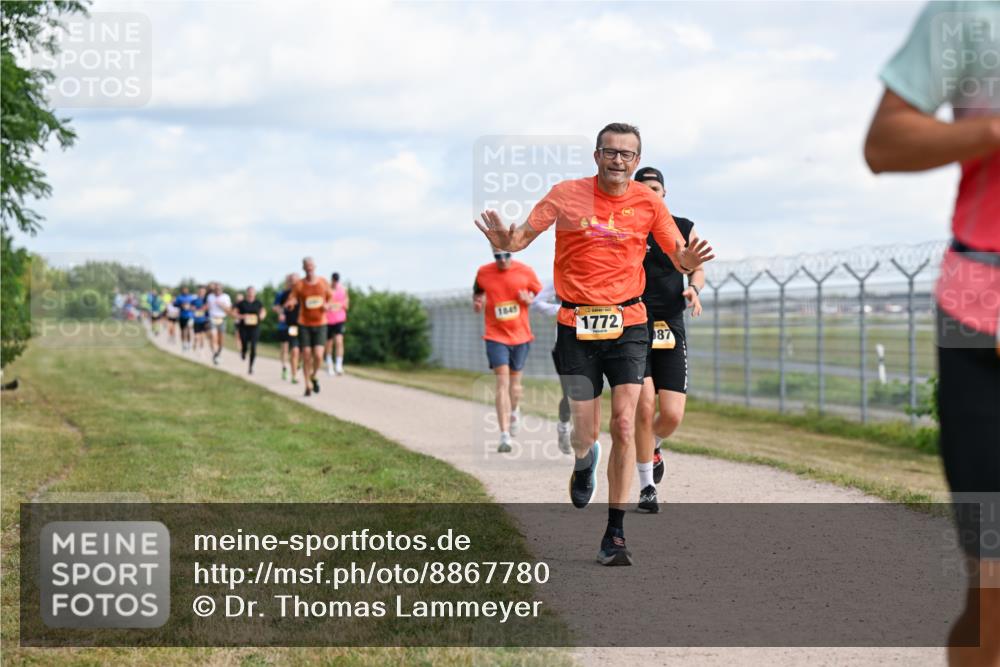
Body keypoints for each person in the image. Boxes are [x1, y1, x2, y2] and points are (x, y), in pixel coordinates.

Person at [476, 122, 714, 565]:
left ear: (637, 160)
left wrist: (688, 262)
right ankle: (584, 460)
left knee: (625, 423)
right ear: (597, 155)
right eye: (610, 152)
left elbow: (677, 254)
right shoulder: (565, 195)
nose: (618, 160)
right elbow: (524, 236)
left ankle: (615, 534)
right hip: (577, 323)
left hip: (630, 322)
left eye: (627, 154)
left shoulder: (647, 203)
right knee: (585, 431)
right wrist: (507, 241)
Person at [864, 4, 1000, 664]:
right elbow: (884, 144)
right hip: (983, 303)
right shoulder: (967, 14)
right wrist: (993, 131)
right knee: (994, 597)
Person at [631, 166, 705, 514]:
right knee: (644, 407)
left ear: (664, 193)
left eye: (656, 188)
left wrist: (694, 288)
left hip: (671, 324)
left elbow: (697, 267)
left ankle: (653, 444)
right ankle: (647, 487)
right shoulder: (625, 227)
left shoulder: (682, 228)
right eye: (643, 189)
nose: (651, 194)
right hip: (633, 323)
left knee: (671, 414)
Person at [473, 248, 543, 453]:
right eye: (497, 256)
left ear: (511, 253)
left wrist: (529, 300)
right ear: (492, 255)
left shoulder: (525, 271)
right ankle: (504, 435)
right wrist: (477, 304)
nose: (502, 260)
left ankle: (515, 410)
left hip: (521, 336)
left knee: (515, 385)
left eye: (506, 255)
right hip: (495, 336)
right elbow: (477, 294)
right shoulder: (483, 272)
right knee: (502, 382)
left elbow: (541, 298)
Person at [530, 280, 573, 455]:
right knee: (571, 393)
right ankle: (564, 428)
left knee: (592, 393)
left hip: (593, 341)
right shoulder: (559, 279)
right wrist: (560, 310)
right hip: (564, 343)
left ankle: (586, 439)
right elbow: (536, 303)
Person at [286, 258, 334, 397]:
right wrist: (291, 303)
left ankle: (313, 375)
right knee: (306, 354)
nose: (309, 268)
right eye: (307, 266)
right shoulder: (300, 284)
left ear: (315, 266)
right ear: (303, 268)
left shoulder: (323, 282)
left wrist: (328, 305)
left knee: (319, 355)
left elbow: (331, 297)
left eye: (311, 265)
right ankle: (307, 384)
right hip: (304, 323)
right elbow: (293, 297)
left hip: (320, 323)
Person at [274, 273, 301, 383]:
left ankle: (296, 365)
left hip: (301, 325)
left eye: (295, 280)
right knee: (286, 347)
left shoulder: (302, 293)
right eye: (291, 280)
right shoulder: (283, 294)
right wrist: (281, 313)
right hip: (286, 325)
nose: (293, 283)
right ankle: (285, 368)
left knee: (302, 350)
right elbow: (276, 306)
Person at [234, 286, 266, 375]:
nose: (251, 293)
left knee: (253, 347)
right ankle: (243, 351)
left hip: (255, 328)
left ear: (255, 293)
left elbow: (263, 311)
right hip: (243, 328)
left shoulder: (258, 303)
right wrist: (243, 316)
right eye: (249, 292)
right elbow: (235, 313)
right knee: (244, 344)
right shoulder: (241, 303)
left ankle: (251, 367)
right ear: (247, 293)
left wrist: (261, 316)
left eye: (253, 292)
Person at [324, 272, 350, 376]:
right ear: (331, 279)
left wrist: (339, 305)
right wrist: (329, 305)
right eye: (334, 280)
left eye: (337, 280)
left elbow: (346, 305)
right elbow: (323, 303)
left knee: (339, 342)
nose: (335, 282)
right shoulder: (326, 289)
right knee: (329, 343)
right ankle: (329, 364)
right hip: (328, 319)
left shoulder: (343, 290)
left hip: (339, 319)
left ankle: (339, 365)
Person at [206, 282, 233, 365]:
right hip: (212, 319)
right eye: (216, 289)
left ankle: (218, 353)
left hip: (222, 319)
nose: (217, 290)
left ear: (222, 289)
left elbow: (229, 311)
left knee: (221, 340)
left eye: (219, 289)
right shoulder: (210, 297)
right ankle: (214, 354)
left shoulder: (226, 297)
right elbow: (207, 307)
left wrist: (222, 305)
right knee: (213, 336)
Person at [174, 286, 196, 351]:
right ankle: (184, 344)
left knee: (188, 330)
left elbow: (195, 306)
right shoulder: (179, 297)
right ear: (182, 291)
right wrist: (181, 305)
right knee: (183, 331)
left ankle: (189, 343)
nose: (185, 291)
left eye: (186, 290)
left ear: (188, 290)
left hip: (190, 316)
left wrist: (190, 307)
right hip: (182, 316)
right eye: (184, 290)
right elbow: (175, 304)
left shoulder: (191, 297)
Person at [190, 286, 210, 353]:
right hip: (196, 320)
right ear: (198, 292)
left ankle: (201, 349)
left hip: (204, 320)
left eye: (203, 292)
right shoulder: (195, 300)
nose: (201, 293)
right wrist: (197, 310)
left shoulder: (207, 300)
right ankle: (195, 345)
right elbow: (192, 308)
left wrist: (200, 309)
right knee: (196, 335)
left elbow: (206, 308)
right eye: (200, 291)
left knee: (202, 335)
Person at [233, 291, 245, 356]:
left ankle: (243, 349)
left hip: (245, 323)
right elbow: (233, 313)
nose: (239, 300)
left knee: (243, 337)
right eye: (238, 299)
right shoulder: (235, 305)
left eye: (240, 299)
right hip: (237, 322)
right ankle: (240, 350)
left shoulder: (245, 305)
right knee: (237, 337)